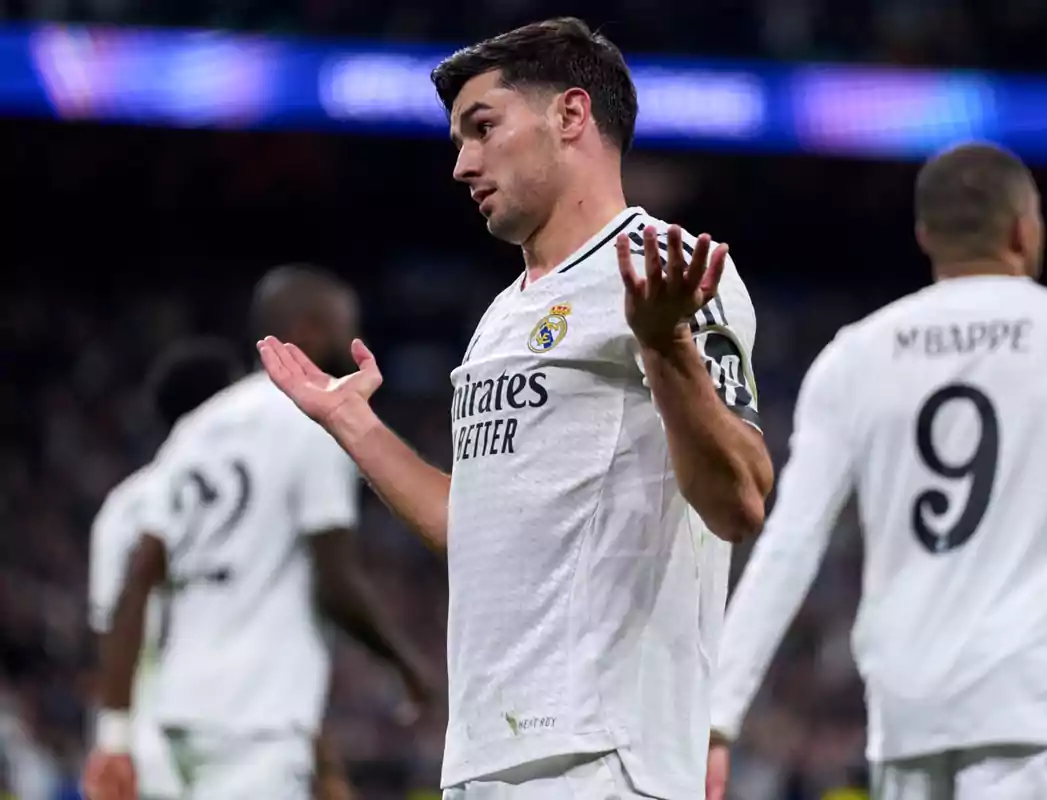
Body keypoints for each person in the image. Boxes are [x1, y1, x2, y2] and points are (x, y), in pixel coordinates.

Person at [256, 17, 774, 800]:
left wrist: (665, 345)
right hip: (485, 756)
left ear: (570, 116)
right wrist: (353, 425)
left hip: (604, 758)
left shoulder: (666, 271)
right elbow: (478, 531)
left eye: (483, 127)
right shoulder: (504, 314)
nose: (463, 164)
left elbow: (739, 501)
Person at [707, 142, 1047, 799]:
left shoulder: (855, 356)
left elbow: (790, 547)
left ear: (925, 236)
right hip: (1037, 706)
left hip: (910, 710)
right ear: (1026, 228)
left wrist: (718, 717)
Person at [83, 265, 430, 800]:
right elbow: (335, 581)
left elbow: (140, 577)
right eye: (346, 326)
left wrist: (114, 733)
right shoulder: (318, 413)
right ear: (309, 329)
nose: (353, 339)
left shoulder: (195, 430)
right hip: (258, 717)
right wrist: (406, 664)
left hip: (179, 709)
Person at [87, 338, 246, 800]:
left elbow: (110, 632)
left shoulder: (121, 507)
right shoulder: (240, 500)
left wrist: (112, 737)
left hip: (145, 740)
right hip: (231, 735)